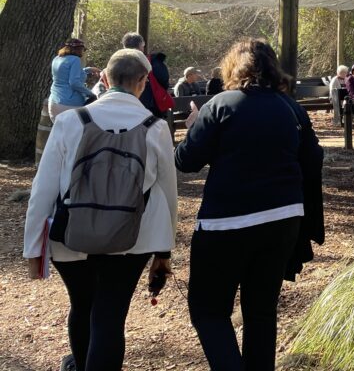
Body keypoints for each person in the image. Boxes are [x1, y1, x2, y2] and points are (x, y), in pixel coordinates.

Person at [24, 49, 177, 371]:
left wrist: (33, 248)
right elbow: (167, 191)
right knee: (109, 315)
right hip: (134, 235)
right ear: (143, 82)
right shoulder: (155, 127)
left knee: (82, 307)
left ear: (104, 79)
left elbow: (44, 188)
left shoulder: (69, 121)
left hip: (72, 234)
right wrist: (164, 250)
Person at [175, 39, 323, 371]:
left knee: (208, 311)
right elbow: (314, 157)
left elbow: (186, 161)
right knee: (261, 313)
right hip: (283, 221)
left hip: (226, 223)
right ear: (274, 68)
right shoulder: (290, 108)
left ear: (233, 68)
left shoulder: (220, 105)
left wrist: (194, 127)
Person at [49, 39, 95, 119]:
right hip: (69, 105)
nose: (83, 52)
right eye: (82, 49)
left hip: (53, 102)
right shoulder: (75, 59)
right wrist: (91, 94)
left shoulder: (57, 58)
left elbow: (65, 75)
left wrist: (88, 69)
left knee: (59, 131)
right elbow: (74, 83)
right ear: (77, 49)